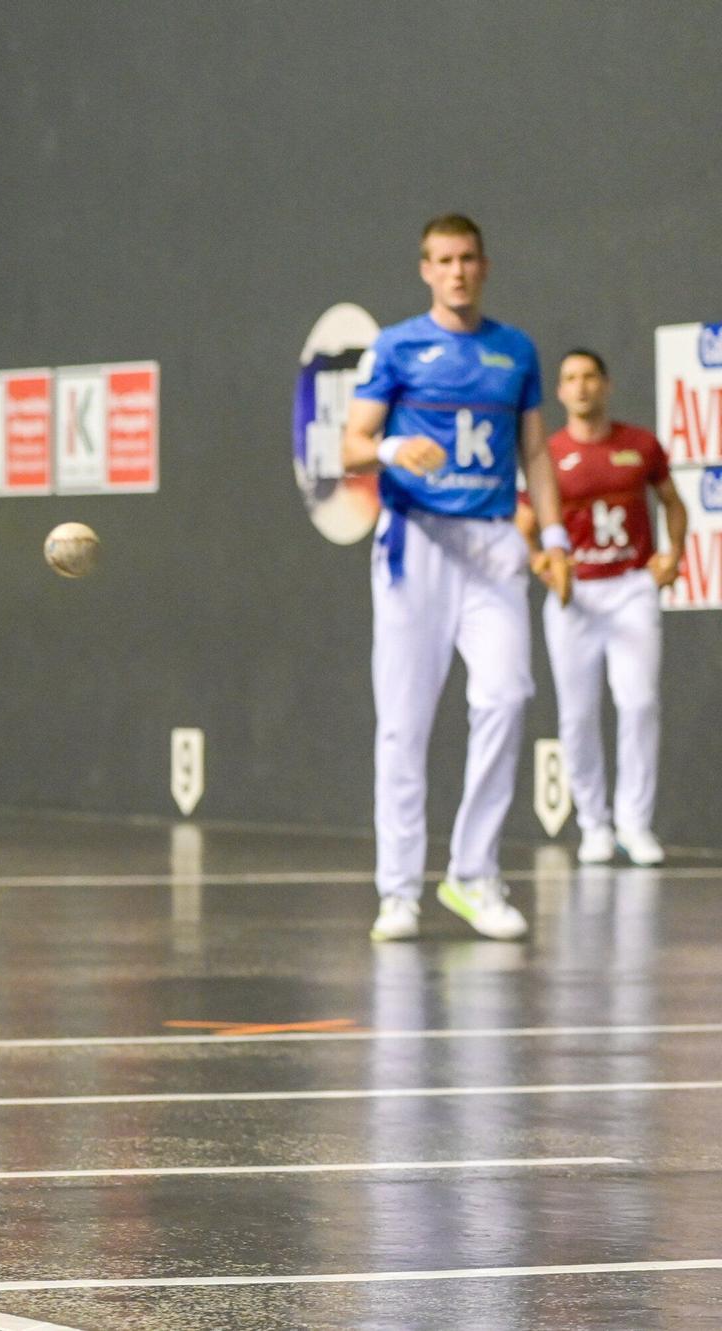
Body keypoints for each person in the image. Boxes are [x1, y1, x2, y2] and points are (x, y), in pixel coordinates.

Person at [340, 213, 572, 942]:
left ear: (485, 264)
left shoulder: (516, 350)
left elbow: (535, 454)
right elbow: (352, 444)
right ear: (425, 269)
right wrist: (395, 445)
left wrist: (555, 532)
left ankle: (472, 875)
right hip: (417, 543)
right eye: (443, 260)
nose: (457, 271)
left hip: (496, 546)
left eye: (468, 258)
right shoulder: (398, 345)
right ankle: (399, 890)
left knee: (506, 695)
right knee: (404, 722)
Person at [514, 350, 685, 867]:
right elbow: (525, 525)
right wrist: (544, 565)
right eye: (570, 379)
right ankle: (594, 825)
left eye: (590, 377)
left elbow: (674, 504)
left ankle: (635, 825)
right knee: (578, 715)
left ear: (607, 385)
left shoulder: (640, 445)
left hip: (631, 588)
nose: (581, 386)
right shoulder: (550, 452)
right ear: (560, 393)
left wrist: (672, 552)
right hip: (575, 596)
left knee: (638, 702)